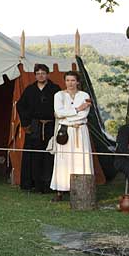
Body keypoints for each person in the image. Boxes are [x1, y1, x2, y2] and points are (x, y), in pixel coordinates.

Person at [16, 64, 61, 193]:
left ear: (47, 74)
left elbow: (60, 106)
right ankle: (33, 184)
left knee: (49, 154)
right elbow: (20, 106)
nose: (41, 75)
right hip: (34, 127)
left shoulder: (55, 89)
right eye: (38, 73)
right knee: (33, 155)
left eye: (43, 73)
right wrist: (26, 124)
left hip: (50, 126)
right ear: (35, 75)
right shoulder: (30, 90)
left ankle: (49, 184)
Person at [49, 71, 93, 202]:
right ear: (65, 81)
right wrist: (77, 109)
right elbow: (58, 112)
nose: (70, 83)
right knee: (63, 160)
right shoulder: (59, 95)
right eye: (68, 80)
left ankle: (82, 188)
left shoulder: (84, 95)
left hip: (80, 130)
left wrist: (66, 115)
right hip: (65, 131)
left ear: (78, 82)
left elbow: (83, 115)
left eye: (73, 80)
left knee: (81, 158)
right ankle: (60, 189)